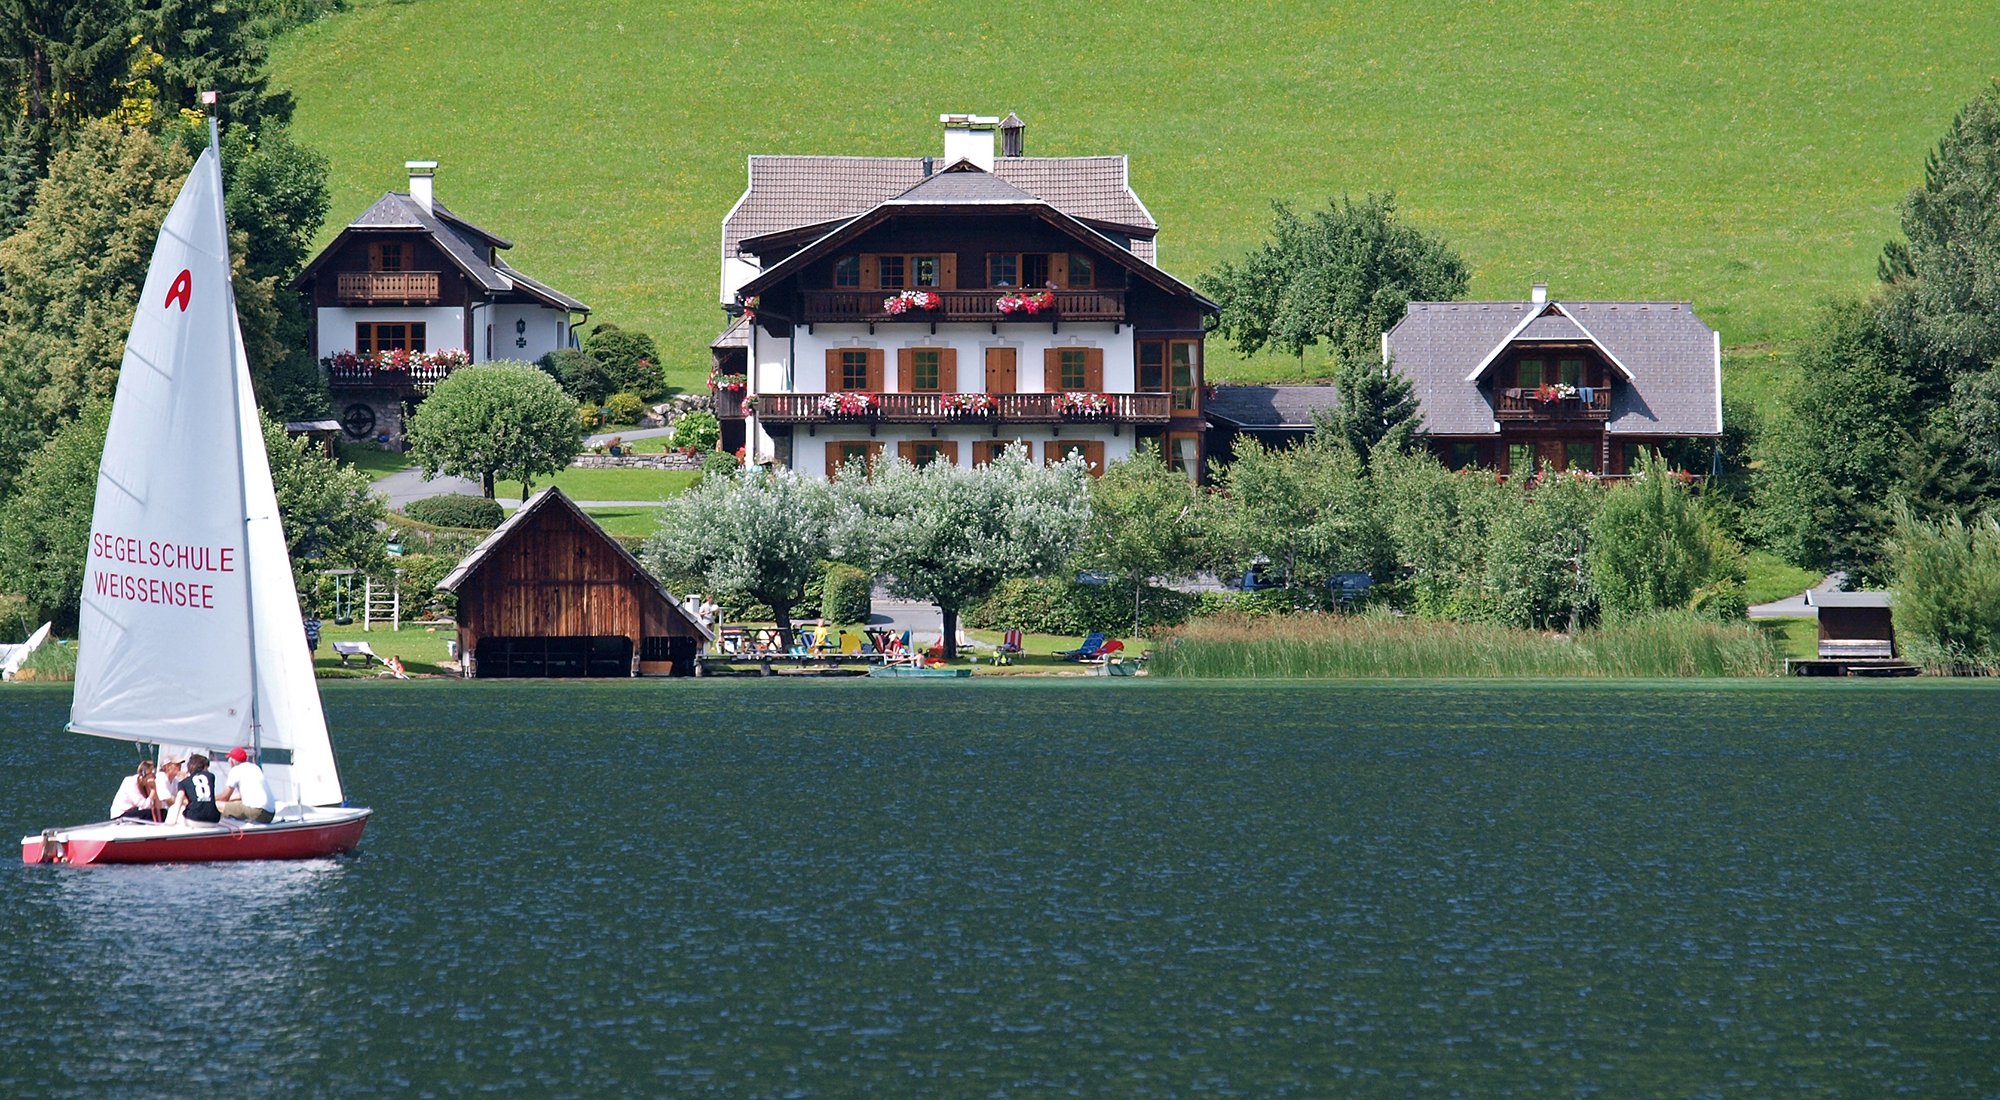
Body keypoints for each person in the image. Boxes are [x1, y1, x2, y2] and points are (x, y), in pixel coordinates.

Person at [216, 746, 275, 824]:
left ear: (232, 761)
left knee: (217, 805)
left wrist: (211, 800)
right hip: (269, 814)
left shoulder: (235, 770)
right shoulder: (255, 768)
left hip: (256, 812)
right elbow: (239, 796)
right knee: (233, 803)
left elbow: (224, 798)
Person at [174, 754, 221, 824]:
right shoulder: (211, 776)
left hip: (194, 819)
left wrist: (173, 820)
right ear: (203, 767)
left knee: (180, 808)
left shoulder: (183, 783)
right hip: (213, 819)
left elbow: (179, 801)